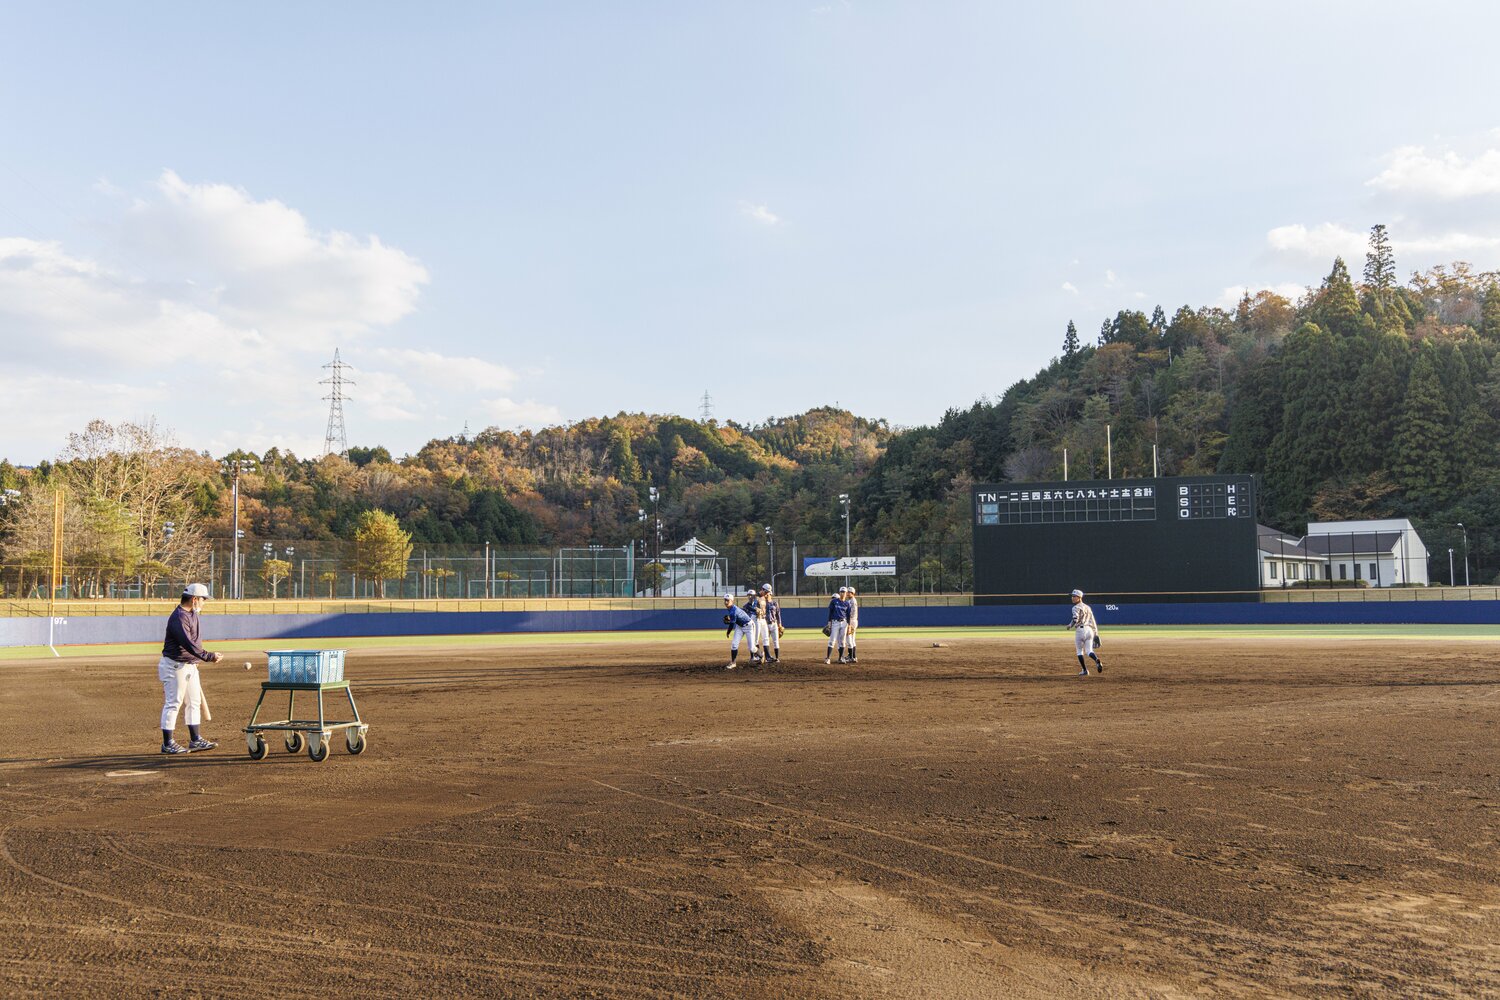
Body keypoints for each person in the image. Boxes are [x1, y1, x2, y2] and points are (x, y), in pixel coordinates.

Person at [159, 583, 222, 753]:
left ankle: (195, 740)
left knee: (194, 702)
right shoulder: (179, 617)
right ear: (194, 599)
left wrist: (199, 660)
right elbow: (189, 644)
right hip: (175, 666)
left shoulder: (192, 614)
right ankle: (167, 743)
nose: (204, 602)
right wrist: (209, 656)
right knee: (173, 703)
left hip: (190, 665)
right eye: (203, 599)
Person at [1068, 588, 1104, 677]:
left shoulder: (1075, 607)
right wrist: (1096, 633)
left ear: (1079, 597)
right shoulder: (1088, 607)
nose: (1072, 598)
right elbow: (1093, 621)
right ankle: (1096, 660)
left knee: (1079, 651)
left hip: (1080, 630)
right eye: (1072, 596)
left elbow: (1075, 619)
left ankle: (1084, 670)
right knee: (1089, 651)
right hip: (1089, 630)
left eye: (1074, 596)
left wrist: (1070, 625)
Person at [721, 593, 755, 670]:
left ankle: (760, 655)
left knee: (752, 648)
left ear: (732, 601)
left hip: (749, 625)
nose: (726, 602)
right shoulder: (731, 609)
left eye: (728, 600)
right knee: (734, 645)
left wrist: (728, 632)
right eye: (725, 600)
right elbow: (734, 620)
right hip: (740, 626)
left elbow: (732, 623)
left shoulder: (733, 610)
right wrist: (731, 621)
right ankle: (733, 663)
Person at [824, 586, 853, 664]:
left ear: (846, 593)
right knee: (832, 641)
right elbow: (830, 613)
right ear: (839, 593)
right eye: (841, 592)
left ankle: (840, 658)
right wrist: (829, 623)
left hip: (844, 623)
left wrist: (849, 626)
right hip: (835, 623)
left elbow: (848, 616)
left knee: (842, 642)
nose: (842, 593)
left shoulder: (847, 604)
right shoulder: (834, 601)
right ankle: (828, 658)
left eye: (844, 592)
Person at [759, 583, 782, 663]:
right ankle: (766, 657)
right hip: (765, 624)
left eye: (769, 593)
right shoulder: (762, 603)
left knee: (776, 641)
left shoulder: (775, 603)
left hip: (774, 624)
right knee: (766, 641)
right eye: (766, 593)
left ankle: (777, 658)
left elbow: (778, 614)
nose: (768, 594)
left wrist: (780, 625)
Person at [845, 586, 860, 663]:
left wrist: (849, 624)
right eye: (847, 592)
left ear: (853, 593)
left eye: (849, 592)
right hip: (852, 621)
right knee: (852, 639)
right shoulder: (851, 600)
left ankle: (852, 657)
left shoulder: (852, 601)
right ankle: (853, 656)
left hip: (851, 622)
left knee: (849, 639)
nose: (847, 593)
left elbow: (852, 613)